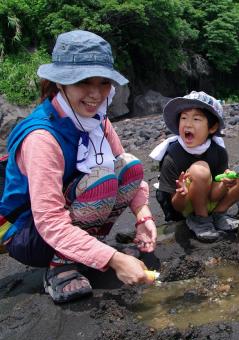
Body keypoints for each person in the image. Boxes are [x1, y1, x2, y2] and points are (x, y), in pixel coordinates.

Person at [0, 30, 157, 303]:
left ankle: (86, 250)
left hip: (73, 212)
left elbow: (125, 169)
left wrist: (143, 217)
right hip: (31, 234)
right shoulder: (42, 138)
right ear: (60, 83)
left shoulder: (97, 121)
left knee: (129, 167)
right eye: (84, 81)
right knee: (102, 181)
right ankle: (61, 266)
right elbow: (48, 221)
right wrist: (115, 259)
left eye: (104, 82)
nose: (95, 94)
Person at [150, 91, 239, 242]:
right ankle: (201, 220)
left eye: (196, 119)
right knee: (200, 169)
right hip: (184, 208)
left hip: (208, 199)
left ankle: (218, 215)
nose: (188, 123)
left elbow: (214, 196)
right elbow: (177, 207)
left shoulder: (218, 151)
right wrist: (181, 194)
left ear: (212, 128)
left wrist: (224, 185)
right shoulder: (172, 156)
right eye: (183, 118)